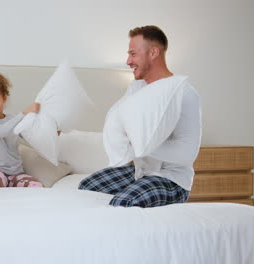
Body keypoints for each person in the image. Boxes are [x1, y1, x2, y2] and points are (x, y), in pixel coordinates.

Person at [79, 25, 201, 208]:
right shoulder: (137, 89)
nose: (128, 61)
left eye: (133, 54)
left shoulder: (184, 93)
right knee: (87, 187)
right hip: (140, 172)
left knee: (123, 204)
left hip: (172, 179)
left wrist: (141, 143)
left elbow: (187, 153)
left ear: (153, 52)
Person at [0, 73, 44, 188]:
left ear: (4, 98)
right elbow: (1, 131)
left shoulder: (13, 120)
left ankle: (9, 183)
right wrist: (24, 113)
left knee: (36, 186)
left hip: (15, 173)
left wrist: (53, 132)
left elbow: (30, 136)